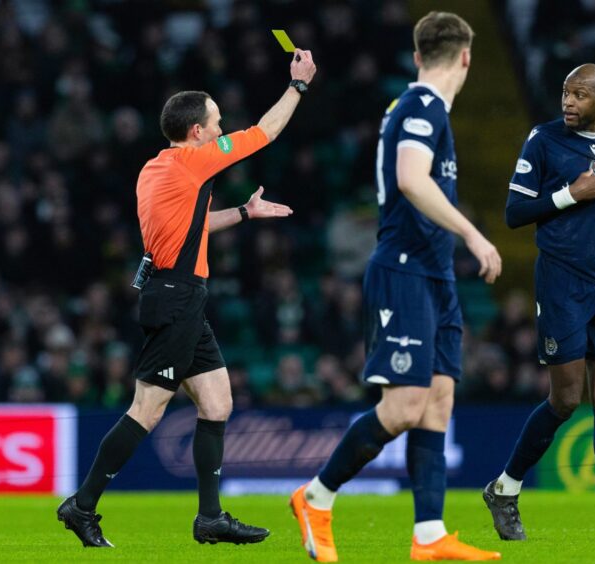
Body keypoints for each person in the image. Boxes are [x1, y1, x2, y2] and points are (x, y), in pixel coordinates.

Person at [56, 49, 317, 548]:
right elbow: (266, 132)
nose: (223, 128)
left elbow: (188, 230)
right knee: (148, 409)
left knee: (218, 401)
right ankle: (82, 505)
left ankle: (210, 517)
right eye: (217, 122)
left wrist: (243, 212)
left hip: (176, 294)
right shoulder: (195, 161)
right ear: (197, 132)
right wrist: (298, 85)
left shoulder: (157, 170)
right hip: (176, 297)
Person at [290, 12, 502, 562]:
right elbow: (410, 179)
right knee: (405, 405)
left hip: (433, 273)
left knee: (437, 401)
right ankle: (316, 496)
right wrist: (474, 236)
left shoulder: (420, 108)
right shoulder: (422, 105)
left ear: (417, 55)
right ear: (465, 58)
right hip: (404, 269)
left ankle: (429, 535)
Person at [482, 64, 595, 541]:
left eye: (580, 94)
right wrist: (568, 194)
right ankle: (505, 487)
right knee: (565, 399)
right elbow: (514, 212)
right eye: (565, 92)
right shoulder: (543, 140)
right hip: (561, 283)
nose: (568, 101)